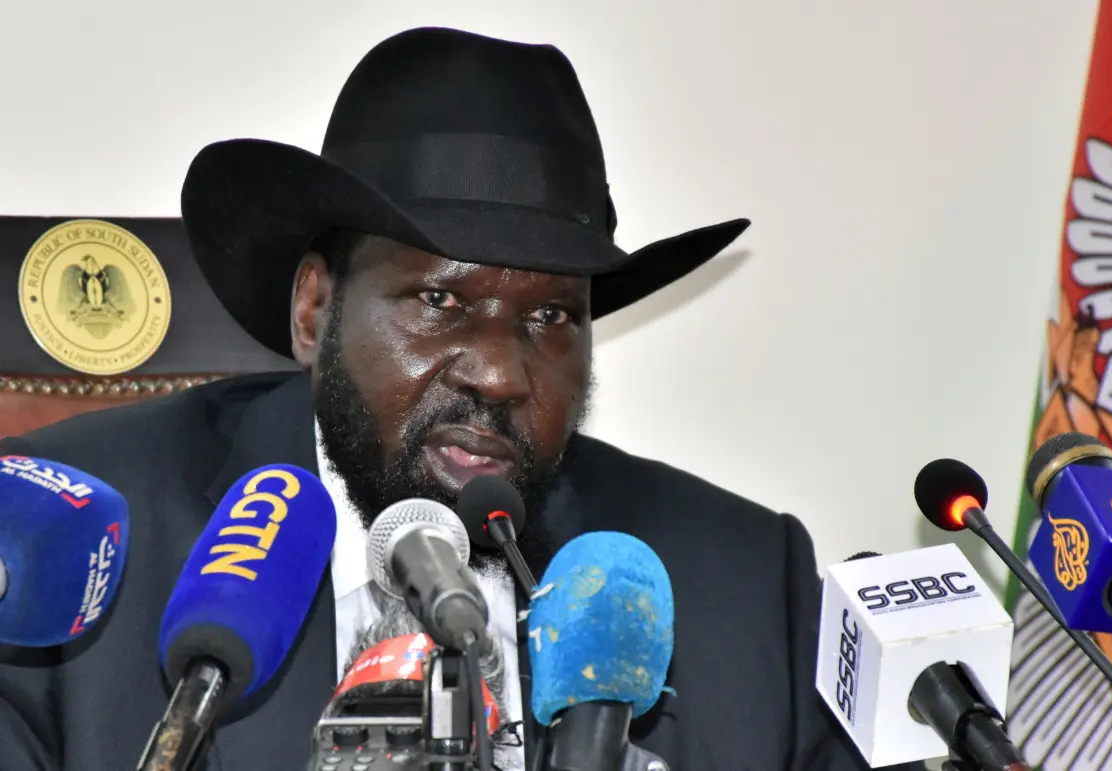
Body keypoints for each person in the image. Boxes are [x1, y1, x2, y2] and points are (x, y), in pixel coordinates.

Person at [0, 27, 919, 771]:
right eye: (439, 301)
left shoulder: (745, 584)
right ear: (317, 309)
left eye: (551, 314)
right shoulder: (69, 547)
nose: (500, 374)